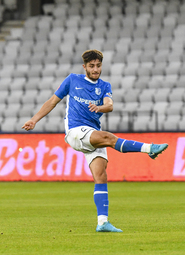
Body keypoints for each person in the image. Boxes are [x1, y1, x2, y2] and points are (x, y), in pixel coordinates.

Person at [22, 49, 168, 233]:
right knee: (108, 137)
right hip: (75, 131)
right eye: (91, 66)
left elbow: (110, 105)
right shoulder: (72, 80)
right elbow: (52, 101)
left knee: (101, 175)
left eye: (98, 66)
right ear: (85, 67)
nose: (95, 69)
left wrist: (99, 108)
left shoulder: (105, 85)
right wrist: (34, 120)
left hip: (92, 133)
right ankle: (150, 148)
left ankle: (102, 222)